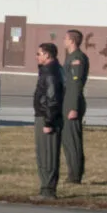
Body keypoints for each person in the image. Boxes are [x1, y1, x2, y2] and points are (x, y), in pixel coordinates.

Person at [32, 43, 65, 201]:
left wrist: (48, 122)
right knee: (43, 154)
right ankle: (45, 188)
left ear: (47, 55)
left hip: (47, 117)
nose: (36, 56)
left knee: (48, 155)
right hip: (44, 115)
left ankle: (48, 190)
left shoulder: (51, 72)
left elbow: (52, 99)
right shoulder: (50, 69)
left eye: (39, 54)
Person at [61, 30, 90, 184]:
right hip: (67, 101)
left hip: (73, 103)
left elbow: (75, 84)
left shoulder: (77, 58)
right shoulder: (71, 57)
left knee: (73, 141)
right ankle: (72, 172)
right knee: (67, 140)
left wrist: (73, 107)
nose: (63, 40)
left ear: (72, 41)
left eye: (65, 38)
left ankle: (75, 175)